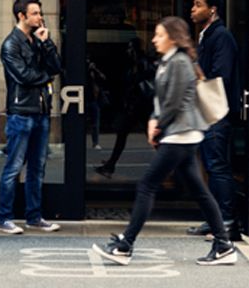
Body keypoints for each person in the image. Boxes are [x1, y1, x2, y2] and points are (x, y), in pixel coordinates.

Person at [92, 16, 237, 266]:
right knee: (200, 192)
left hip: (181, 134)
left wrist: (158, 125)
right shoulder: (168, 61)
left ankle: (125, 245)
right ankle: (223, 244)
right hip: (182, 134)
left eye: (159, 35)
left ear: (172, 37)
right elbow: (163, 100)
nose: (154, 39)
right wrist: (154, 119)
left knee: (147, 185)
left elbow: (174, 101)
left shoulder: (179, 62)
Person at [0, 0, 62, 234]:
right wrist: (46, 78)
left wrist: (47, 44)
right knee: (14, 167)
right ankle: (4, 217)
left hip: (41, 112)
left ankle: (34, 216)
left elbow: (55, 66)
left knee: (37, 167)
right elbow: (24, 76)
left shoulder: (37, 41)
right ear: (21, 16)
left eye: (40, 13)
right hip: (21, 113)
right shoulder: (10, 44)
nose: (40, 17)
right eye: (35, 13)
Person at [186, 0, 242, 241]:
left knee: (218, 167)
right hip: (207, 112)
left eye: (198, 5)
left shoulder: (221, 37)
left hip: (217, 114)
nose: (193, 9)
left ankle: (228, 222)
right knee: (210, 166)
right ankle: (215, 220)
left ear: (213, 10)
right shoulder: (207, 36)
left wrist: (195, 66)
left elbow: (220, 76)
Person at [93, 38, 156, 178]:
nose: (127, 51)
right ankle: (110, 165)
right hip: (139, 106)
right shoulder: (139, 62)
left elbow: (137, 85)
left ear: (134, 49)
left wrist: (130, 102)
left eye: (129, 48)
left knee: (138, 135)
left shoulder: (141, 63)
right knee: (127, 134)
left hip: (139, 107)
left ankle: (110, 166)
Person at [86, 56, 106, 149]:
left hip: (93, 99)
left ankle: (95, 142)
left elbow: (103, 78)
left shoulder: (93, 73)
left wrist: (94, 70)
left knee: (95, 123)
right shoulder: (82, 72)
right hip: (85, 99)